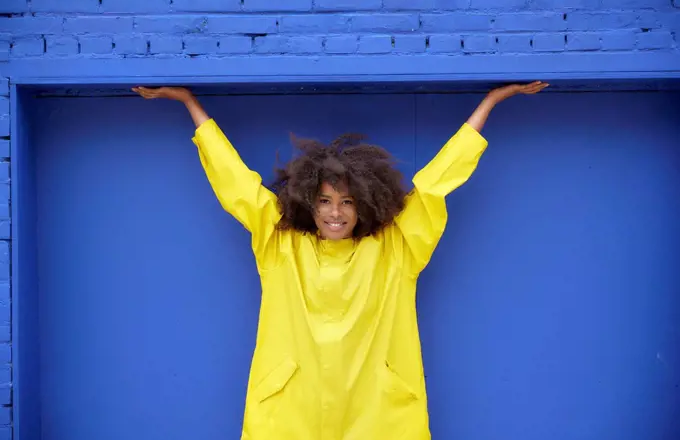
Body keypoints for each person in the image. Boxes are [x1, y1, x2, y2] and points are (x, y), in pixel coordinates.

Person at [132, 81, 549, 440]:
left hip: (376, 413)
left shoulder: (395, 248)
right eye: (326, 201)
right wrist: (190, 104)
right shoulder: (281, 245)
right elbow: (236, 184)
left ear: (364, 203)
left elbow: (435, 185)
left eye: (347, 202)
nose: (336, 212)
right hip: (292, 411)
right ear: (308, 204)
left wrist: (489, 104)